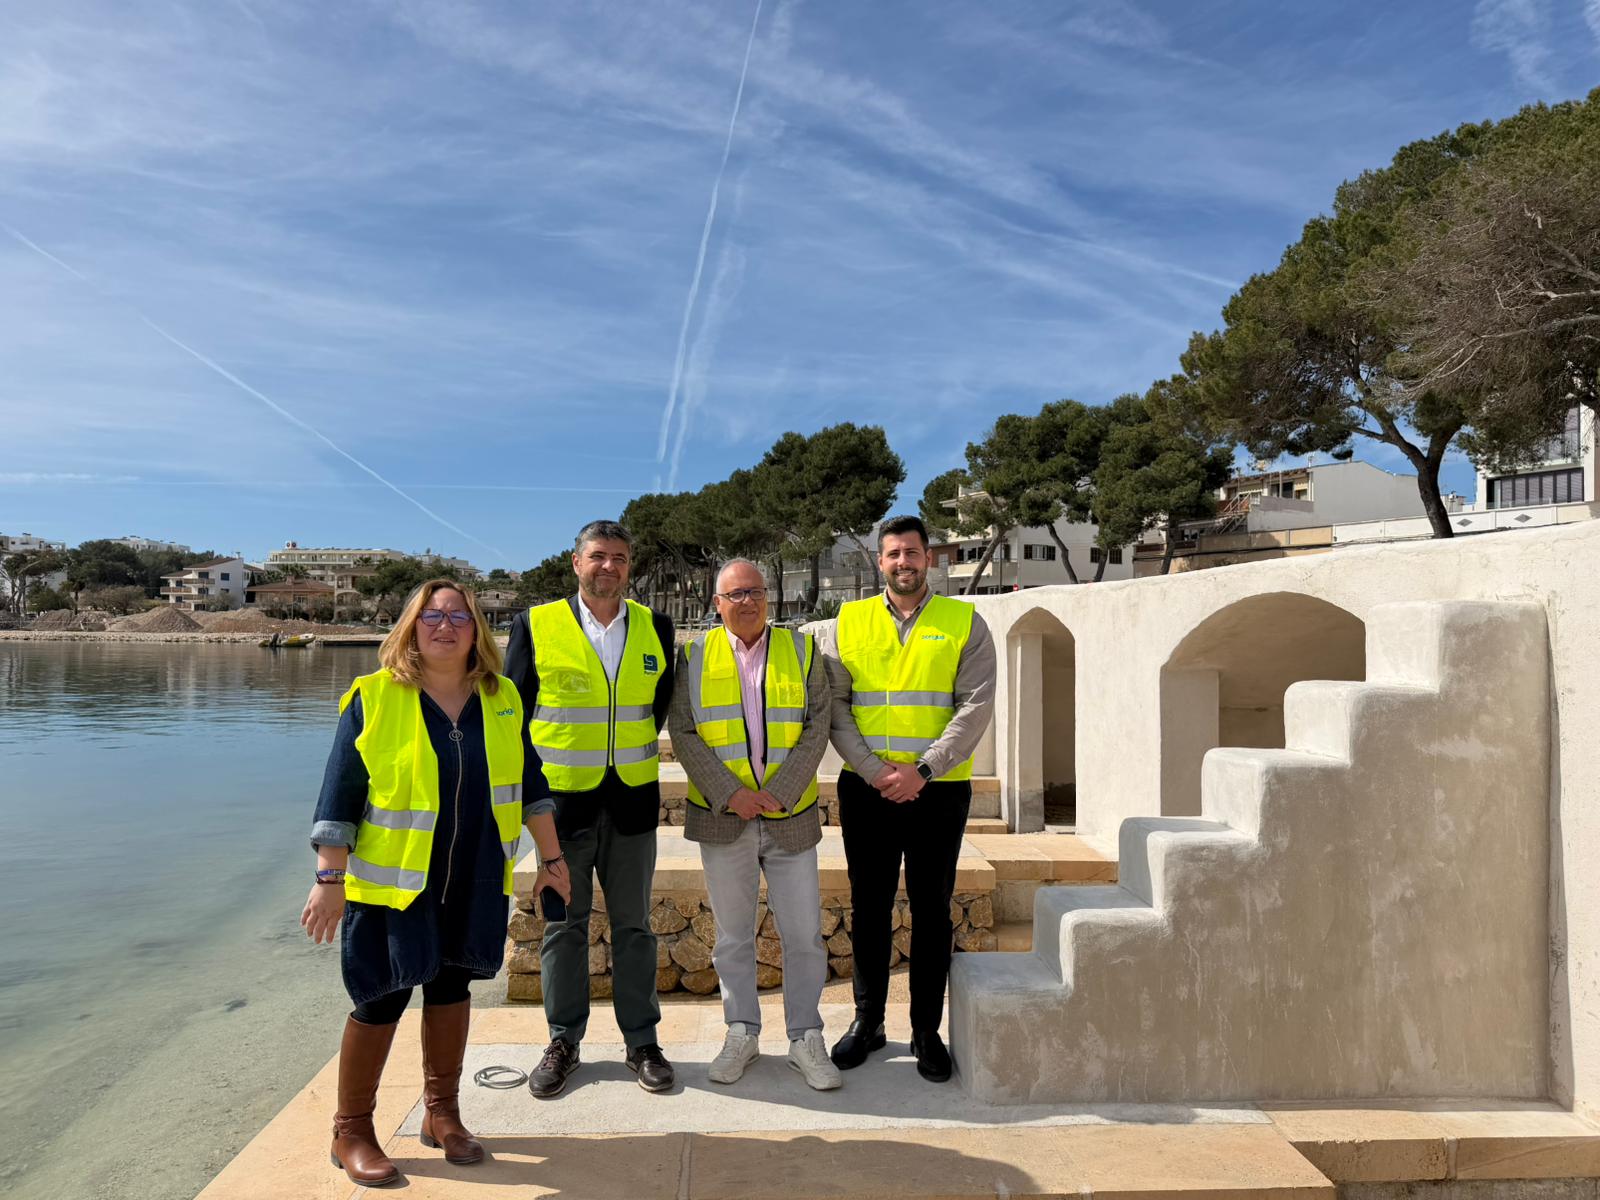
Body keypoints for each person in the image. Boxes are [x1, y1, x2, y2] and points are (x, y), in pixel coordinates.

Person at [302, 579, 568, 1187]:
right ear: (411, 626)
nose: (444, 626)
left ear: (477, 631)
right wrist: (329, 877)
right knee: (381, 997)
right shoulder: (374, 696)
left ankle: (441, 1112)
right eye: (431, 616)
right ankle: (351, 1131)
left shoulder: (502, 698)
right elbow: (339, 795)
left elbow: (531, 785)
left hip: (473, 875)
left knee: (452, 988)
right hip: (394, 885)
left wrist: (553, 860)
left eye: (459, 616)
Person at [812, 515, 996, 1082]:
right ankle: (867, 1022)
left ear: (928, 558)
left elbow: (975, 706)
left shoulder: (964, 622)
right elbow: (836, 705)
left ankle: (925, 1031)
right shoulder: (849, 621)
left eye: (912, 553)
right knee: (868, 907)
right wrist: (874, 771)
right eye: (892, 554)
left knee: (931, 910)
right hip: (867, 789)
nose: (903, 563)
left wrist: (923, 769)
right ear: (880, 561)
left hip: (938, 790)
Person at [503, 520, 678, 1096]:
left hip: (632, 803)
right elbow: (512, 718)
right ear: (576, 562)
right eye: (598, 556)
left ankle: (642, 1042)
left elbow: (656, 708)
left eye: (620, 558)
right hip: (560, 809)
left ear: (631, 566)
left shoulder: (656, 626)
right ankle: (563, 1042)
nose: (609, 566)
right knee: (563, 927)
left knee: (635, 927)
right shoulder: (535, 624)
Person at [669, 559, 841, 1090]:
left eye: (756, 591)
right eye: (736, 594)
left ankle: (805, 1037)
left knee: (804, 935)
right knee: (732, 937)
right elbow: (684, 731)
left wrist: (780, 792)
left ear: (769, 597)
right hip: (724, 818)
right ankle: (741, 1031)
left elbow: (817, 724)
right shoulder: (692, 656)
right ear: (716, 603)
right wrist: (733, 795)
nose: (748, 601)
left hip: (790, 818)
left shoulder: (803, 650)